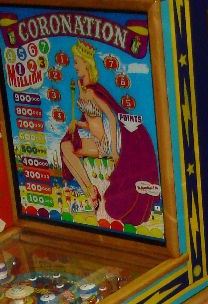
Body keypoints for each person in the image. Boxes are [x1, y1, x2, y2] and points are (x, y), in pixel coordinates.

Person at [59, 39, 159, 225]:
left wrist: (113, 150)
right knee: (66, 148)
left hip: (104, 144)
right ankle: (91, 192)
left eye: (77, 62)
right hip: (95, 140)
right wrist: (76, 124)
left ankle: (91, 192)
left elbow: (112, 117)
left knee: (67, 149)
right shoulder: (82, 89)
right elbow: (91, 122)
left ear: (86, 64)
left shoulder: (93, 92)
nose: (75, 66)